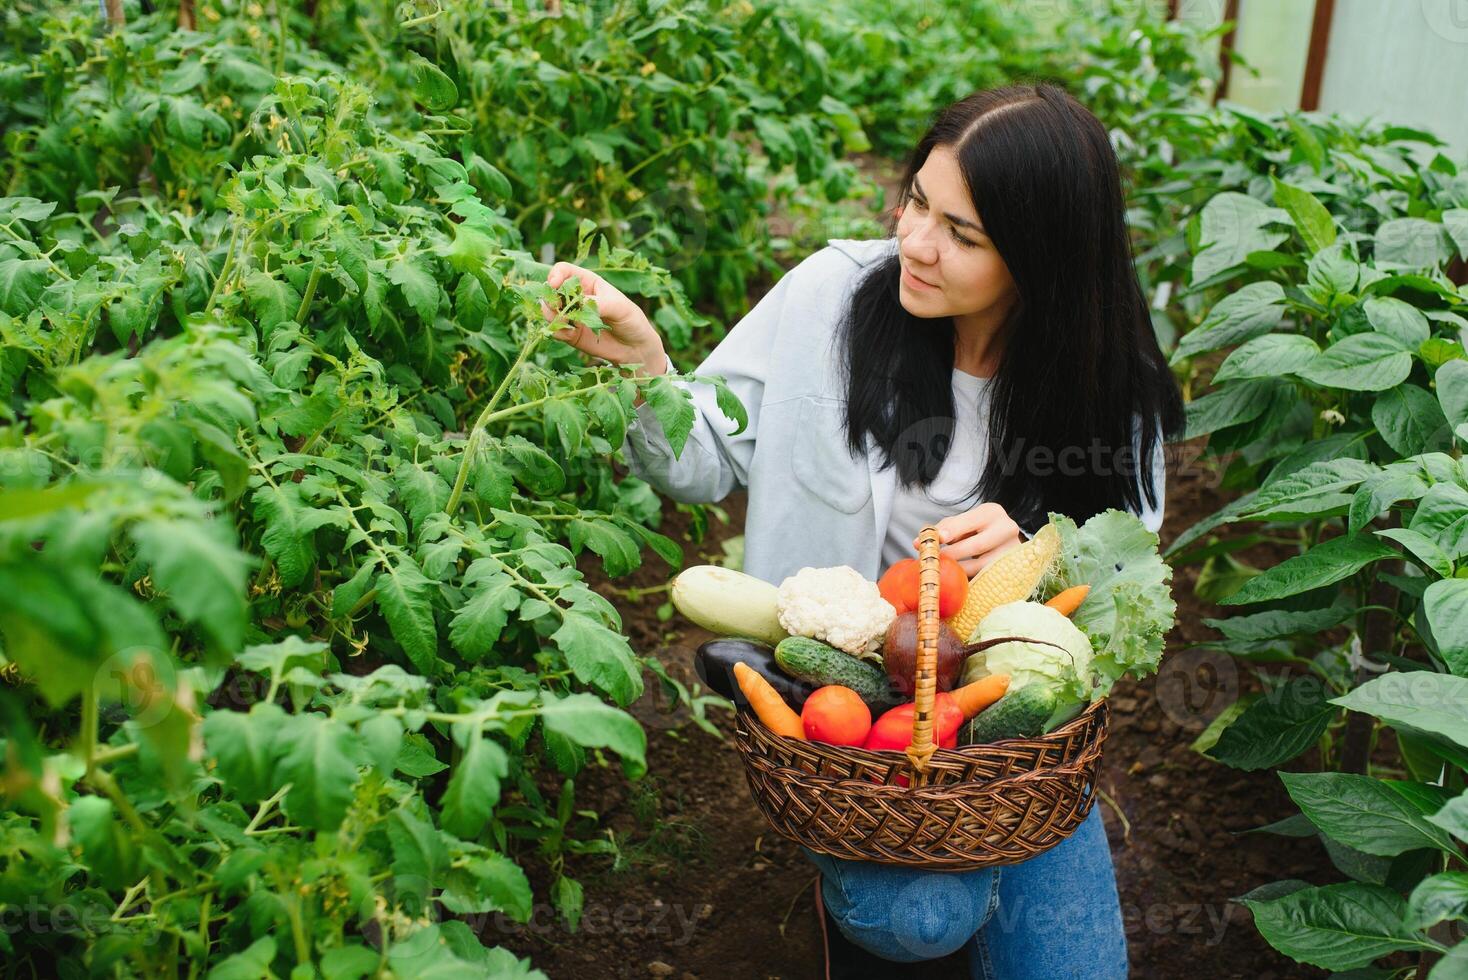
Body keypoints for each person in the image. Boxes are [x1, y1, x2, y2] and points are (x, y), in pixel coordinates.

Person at [544, 83, 1184, 979]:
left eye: (963, 235)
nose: (915, 243)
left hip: (1011, 741)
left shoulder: (1109, 385)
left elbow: (1125, 575)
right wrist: (646, 369)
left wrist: (1046, 549)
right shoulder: (831, 296)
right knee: (918, 921)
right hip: (847, 732)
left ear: (1042, 259)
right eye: (918, 200)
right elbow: (699, 465)